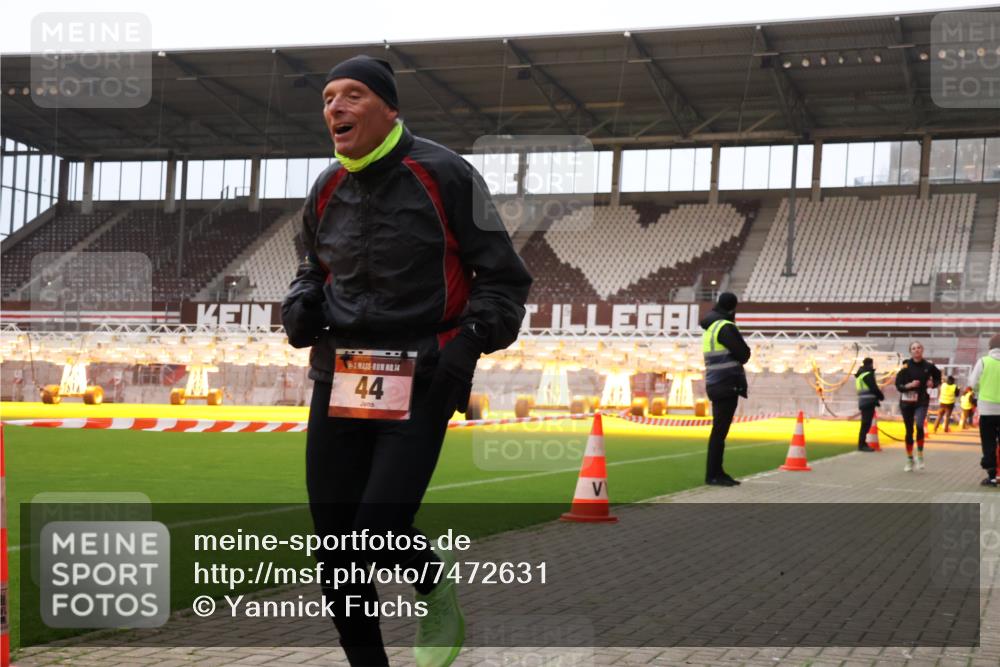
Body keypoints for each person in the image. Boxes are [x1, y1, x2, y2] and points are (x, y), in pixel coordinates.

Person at [282, 55, 532, 667]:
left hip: (423, 371)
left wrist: (465, 349)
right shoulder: (326, 186)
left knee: (378, 525)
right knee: (336, 547)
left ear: (390, 108)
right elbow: (312, 268)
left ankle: (430, 582)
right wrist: (301, 303)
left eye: (353, 95)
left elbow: (503, 280)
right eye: (328, 98)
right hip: (339, 374)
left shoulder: (444, 173)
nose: (334, 107)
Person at [700, 292, 752, 486]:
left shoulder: (711, 328)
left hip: (715, 382)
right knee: (719, 432)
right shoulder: (725, 327)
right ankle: (714, 474)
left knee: (719, 431)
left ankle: (715, 472)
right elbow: (744, 354)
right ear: (733, 308)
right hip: (726, 383)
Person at [894, 341, 942, 472]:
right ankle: (909, 459)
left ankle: (920, 455)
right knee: (909, 431)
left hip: (921, 400)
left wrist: (933, 383)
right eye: (913, 348)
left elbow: (938, 378)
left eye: (919, 347)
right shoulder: (905, 366)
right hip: (906, 402)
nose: (916, 350)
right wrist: (909, 386)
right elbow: (898, 385)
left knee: (920, 425)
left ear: (922, 350)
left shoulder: (929, 366)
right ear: (910, 352)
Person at [970, 334, 1000, 487]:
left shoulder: (983, 361)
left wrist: (981, 389)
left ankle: (992, 476)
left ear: (990, 346)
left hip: (987, 408)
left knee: (988, 442)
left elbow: (973, 383)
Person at [855, 357, 885, 451]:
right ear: (871, 364)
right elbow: (873, 387)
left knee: (865, 424)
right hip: (868, 402)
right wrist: (881, 396)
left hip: (863, 401)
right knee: (866, 424)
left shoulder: (860, 375)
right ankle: (862, 445)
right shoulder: (868, 374)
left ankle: (862, 444)